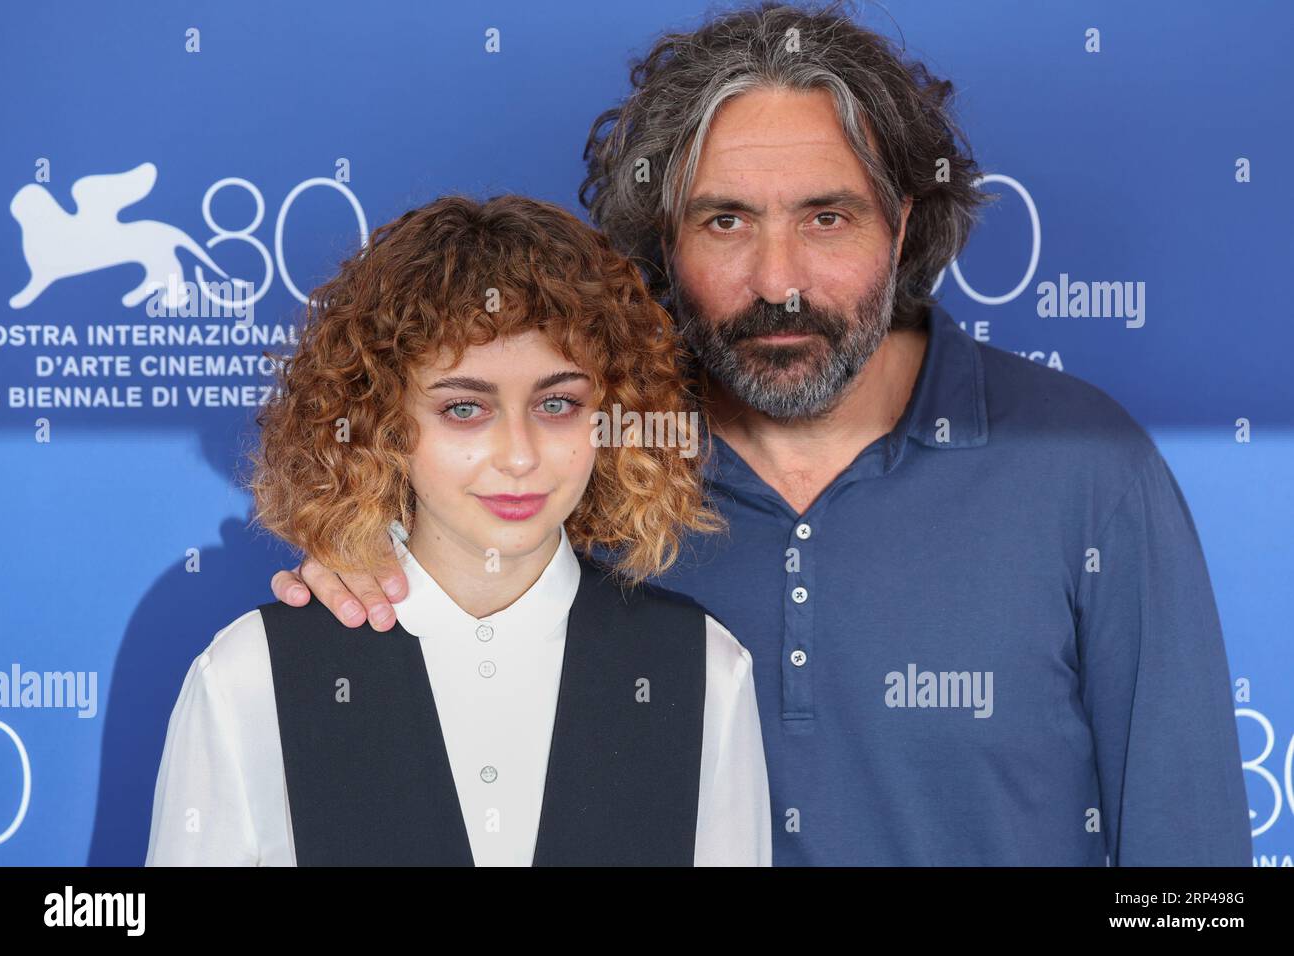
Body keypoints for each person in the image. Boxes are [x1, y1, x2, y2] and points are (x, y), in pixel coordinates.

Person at [268, 3, 1252, 865]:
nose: (777, 278)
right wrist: (362, 573)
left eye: (826, 218)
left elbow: (1187, 867)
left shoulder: (1085, 470)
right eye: (726, 222)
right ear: (665, 239)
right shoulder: (578, 465)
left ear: (902, 225)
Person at [146, 194, 772, 866]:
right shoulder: (250, 676)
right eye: (466, 408)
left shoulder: (702, 668)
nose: (520, 456)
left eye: (557, 404)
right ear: (381, 420)